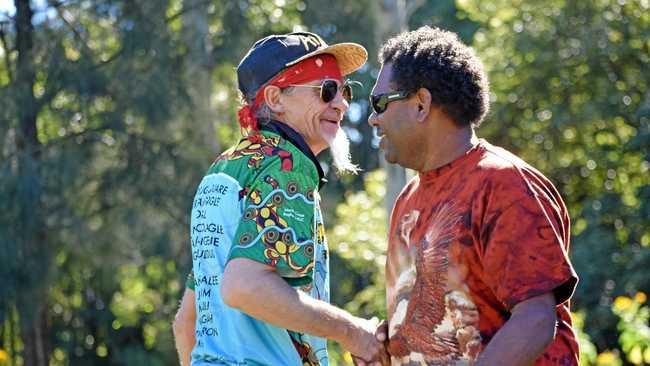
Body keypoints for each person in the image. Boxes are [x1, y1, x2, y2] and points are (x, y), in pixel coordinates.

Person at [172, 31, 389, 366]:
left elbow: (188, 322)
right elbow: (244, 286)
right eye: (326, 91)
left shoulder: (225, 170)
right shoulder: (288, 165)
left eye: (344, 90)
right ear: (275, 98)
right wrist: (353, 332)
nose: (343, 103)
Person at [368, 26, 579, 365]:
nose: (372, 119)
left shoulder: (503, 184)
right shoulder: (407, 201)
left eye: (379, 103)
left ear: (421, 104)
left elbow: (536, 320)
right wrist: (387, 347)